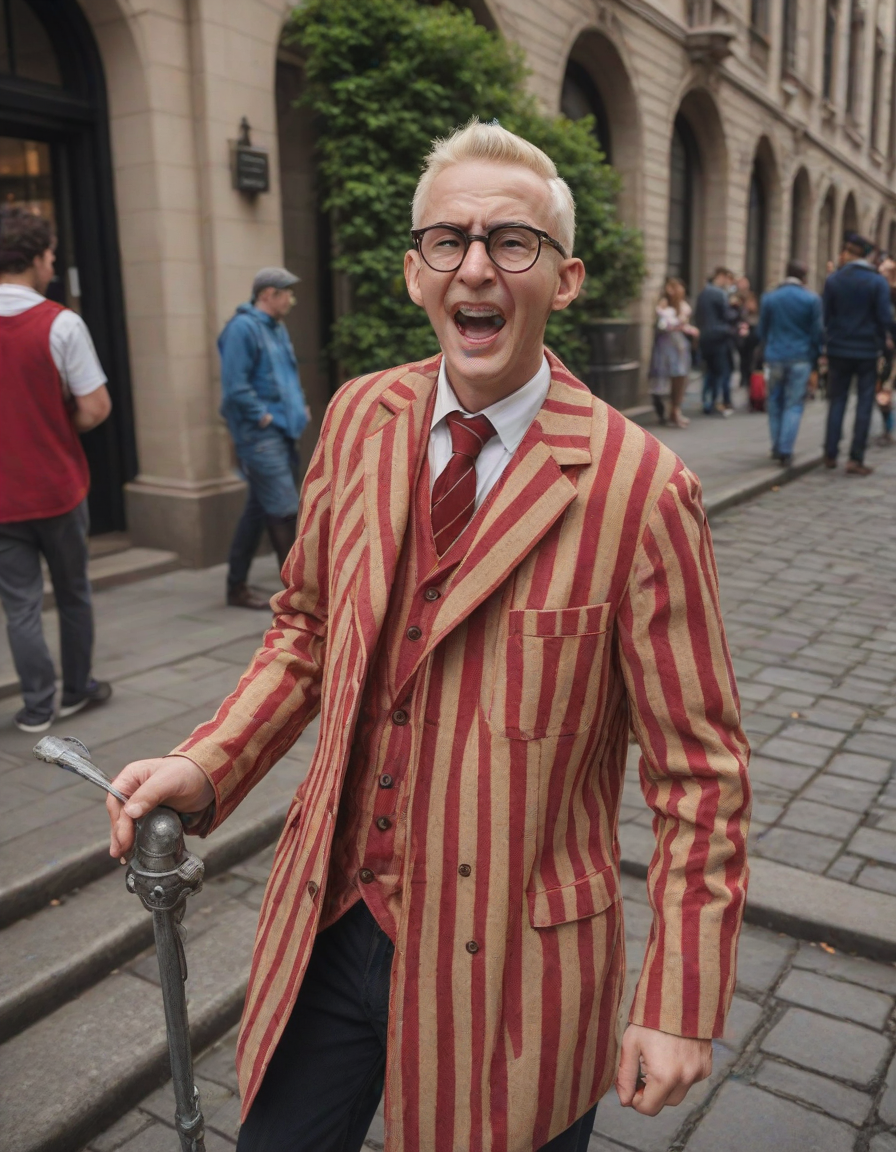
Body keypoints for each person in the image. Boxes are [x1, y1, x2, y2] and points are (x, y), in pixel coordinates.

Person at [106, 121, 750, 1152]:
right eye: (448, 240)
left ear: (565, 279)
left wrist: (679, 997)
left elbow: (699, 775)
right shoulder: (359, 417)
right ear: (416, 273)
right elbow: (307, 629)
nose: (475, 266)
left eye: (512, 242)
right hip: (332, 921)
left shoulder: (642, 490)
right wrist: (208, 760)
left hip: (516, 972)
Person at [0, 208, 113, 733]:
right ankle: (76, 689)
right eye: (50, 256)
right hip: (57, 487)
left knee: (20, 605)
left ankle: (37, 707)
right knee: (72, 592)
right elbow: (95, 407)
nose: (52, 265)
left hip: (3, 500)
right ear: (35, 258)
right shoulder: (60, 322)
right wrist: (56, 419)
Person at [219, 267, 310, 610]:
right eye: (286, 293)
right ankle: (298, 599)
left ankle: (235, 587)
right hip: (260, 435)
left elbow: (286, 376)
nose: (291, 299)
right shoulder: (242, 328)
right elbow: (235, 386)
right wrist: (263, 416)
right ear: (268, 295)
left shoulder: (276, 328)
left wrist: (298, 408)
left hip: (283, 431)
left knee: (258, 511)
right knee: (285, 509)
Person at [823, 232, 893, 475]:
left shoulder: (834, 280)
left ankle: (830, 453)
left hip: (838, 349)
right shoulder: (877, 282)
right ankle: (855, 458)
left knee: (837, 400)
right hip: (866, 351)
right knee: (864, 402)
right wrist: (885, 344)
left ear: (848, 252)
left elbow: (826, 316)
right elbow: (884, 318)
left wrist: (829, 342)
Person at [758, 259, 823, 467]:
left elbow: (762, 330)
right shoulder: (811, 298)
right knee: (794, 404)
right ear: (804, 276)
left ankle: (776, 446)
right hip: (800, 357)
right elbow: (817, 333)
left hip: (775, 356)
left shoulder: (770, 297)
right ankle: (785, 449)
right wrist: (815, 357)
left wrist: (767, 349)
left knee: (774, 402)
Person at [647, 276, 697, 428]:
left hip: (679, 345)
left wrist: (689, 329)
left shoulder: (683, 305)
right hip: (666, 345)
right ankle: (664, 411)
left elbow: (684, 324)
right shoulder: (663, 303)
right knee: (662, 378)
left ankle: (675, 410)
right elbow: (662, 325)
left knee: (680, 377)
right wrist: (678, 323)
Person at [694, 266, 737, 416]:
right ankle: (713, 402)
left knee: (708, 372)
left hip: (705, 337)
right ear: (721, 276)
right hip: (719, 337)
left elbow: (698, 316)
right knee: (719, 372)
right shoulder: (720, 293)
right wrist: (736, 309)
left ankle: (706, 402)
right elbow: (728, 315)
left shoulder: (703, 293)